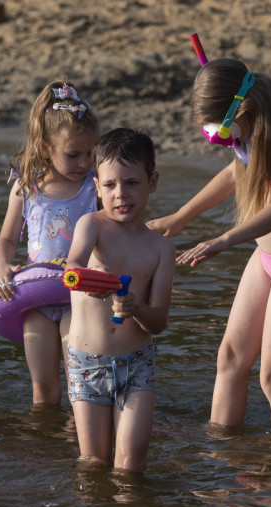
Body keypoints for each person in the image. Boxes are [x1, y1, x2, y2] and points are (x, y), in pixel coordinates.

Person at [148, 58, 271, 435]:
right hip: (267, 256)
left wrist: (224, 239)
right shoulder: (257, 125)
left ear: (243, 109)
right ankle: (219, 455)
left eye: (224, 128)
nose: (224, 139)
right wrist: (181, 217)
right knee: (230, 359)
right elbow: (238, 170)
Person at [64, 128, 176, 473]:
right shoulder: (92, 226)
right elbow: (72, 266)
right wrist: (87, 283)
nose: (120, 194)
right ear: (96, 187)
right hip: (87, 363)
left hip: (137, 364)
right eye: (110, 185)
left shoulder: (160, 249)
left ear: (152, 182)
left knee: (130, 469)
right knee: (94, 464)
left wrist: (137, 309)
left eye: (132, 183)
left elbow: (158, 321)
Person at [0, 81, 100, 404]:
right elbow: (6, 239)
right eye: (73, 154)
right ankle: (46, 448)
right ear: (45, 147)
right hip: (36, 300)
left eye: (91, 152)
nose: (84, 162)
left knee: (79, 385)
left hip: (77, 299)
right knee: (43, 390)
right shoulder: (26, 189)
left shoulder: (94, 189)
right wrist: (2, 267)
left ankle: (77, 442)